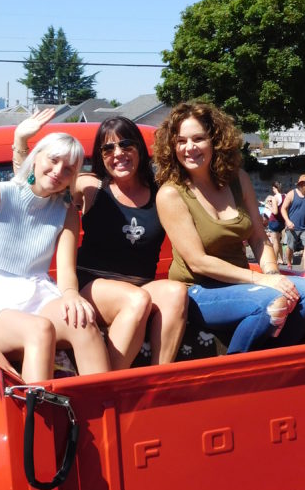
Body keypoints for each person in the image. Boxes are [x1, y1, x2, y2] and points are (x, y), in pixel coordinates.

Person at [13, 109, 188, 369]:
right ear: (100, 156)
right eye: (108, 149)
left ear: (139, 148)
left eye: (126, 144)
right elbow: (36, 188)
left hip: (141, 285)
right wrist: (20, 143)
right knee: (137, 300)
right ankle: (107, 386)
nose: (118, 153)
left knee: (176, 292)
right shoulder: (90, 187)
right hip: (93, 286)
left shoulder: (162, 193)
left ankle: (157, 375)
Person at [153, 102, 305, 355]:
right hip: (198, 289)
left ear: (215, 141)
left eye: (198, 138)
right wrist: (261, 280)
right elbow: (198, 262)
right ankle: (230, 373)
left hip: (241, 283)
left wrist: (272, 273)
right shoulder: (170, 194)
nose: (189, 148)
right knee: (272, 302)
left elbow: (258, 237)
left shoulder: (238, 179)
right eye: (181, 141)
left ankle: (271, 365)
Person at [0, 131, 109, 381]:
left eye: (68, 169)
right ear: (36, 157)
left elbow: (65, 269)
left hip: (40, 290)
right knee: (39, 330)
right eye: (53, 160)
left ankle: (102, 409)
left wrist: (72, 295)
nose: (57, 171)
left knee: (83, 322)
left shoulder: (66, 213)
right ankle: (37, 417)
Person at [281, 174, 305, 270]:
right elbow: (283, 209)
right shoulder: (292, 194)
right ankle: (289, 262)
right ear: (301, 184)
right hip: (292, 226)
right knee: (290, 247)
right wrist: (288, 221)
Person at [263, 181, 286, 264]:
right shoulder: (285, 196)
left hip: (274, 221)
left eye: (273, 188)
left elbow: (275, 212)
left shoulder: (275, 197)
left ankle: (275, 260)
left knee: (275, 241)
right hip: (281, 221)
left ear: (274, 188)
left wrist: (268, 206)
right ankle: (281, 259)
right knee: (278, 241)